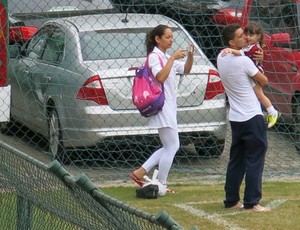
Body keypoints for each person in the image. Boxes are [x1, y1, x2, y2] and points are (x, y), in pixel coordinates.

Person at [129, 24, 194, 193]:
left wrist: (190, 56)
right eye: (168, 37)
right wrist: (172, 59)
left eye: (172, 37)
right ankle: (161, 183)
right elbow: (160, 77)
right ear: (157, 39)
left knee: (170, 146)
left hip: (170, 106)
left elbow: (186, 70)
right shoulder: (154, 57)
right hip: (161, 105)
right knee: (172, 146)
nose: (171, 39)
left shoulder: (165, 57)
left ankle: (140, 172)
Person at [217, 24, 271, 212]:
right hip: (252, 116)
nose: (246, 38)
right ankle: (252, 202)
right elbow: (264, 80)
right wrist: (256, 64)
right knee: (255, 159)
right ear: (232, 42)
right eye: (241, 36)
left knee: (236, 160)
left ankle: (231, 200)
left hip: (236, 118)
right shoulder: (244, 61)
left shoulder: (221, 57)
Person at [221, 21, 280, 128]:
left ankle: (272, 112)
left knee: (260, 95)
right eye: (244, 35)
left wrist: (230, 50)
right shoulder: (247, 50)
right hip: (245, 114)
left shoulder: (249, 50)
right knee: (258, 95)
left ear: (259, 36)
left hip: (256, 73)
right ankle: (270, 112)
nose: (246, 37)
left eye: (249, 35)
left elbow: (264, 80)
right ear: (232, 42)